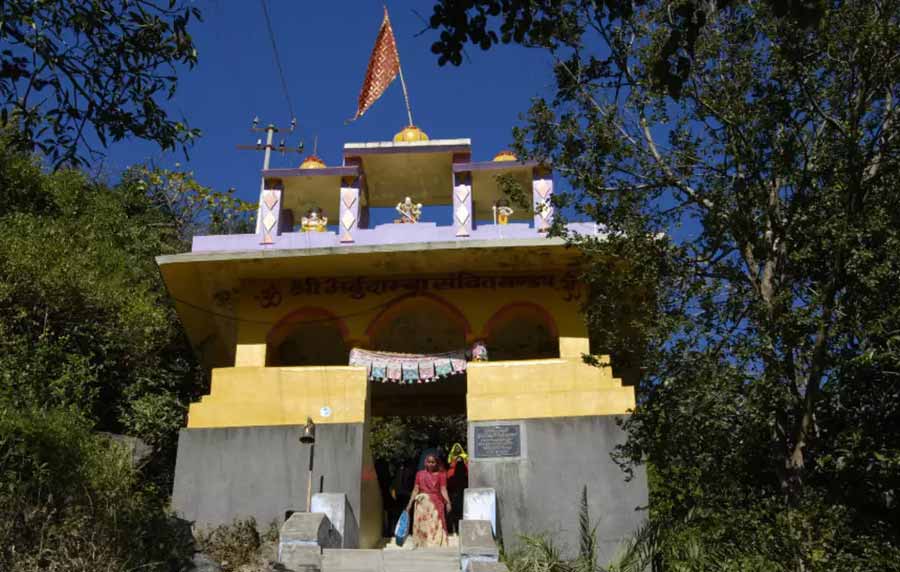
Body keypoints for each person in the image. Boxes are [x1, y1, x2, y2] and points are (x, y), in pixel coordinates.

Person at [405, 453, 451, 547]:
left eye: (433, 462)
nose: (431, 464)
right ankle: (423, 544)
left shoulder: (441, 475)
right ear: (425, 463)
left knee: (435, 524)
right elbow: (415, 489)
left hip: (436, 504)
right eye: (429, 462)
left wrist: (448, 502)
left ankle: (435, 544)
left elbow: (443, 489)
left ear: (437, 463)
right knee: (423, 525)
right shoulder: (419, 474)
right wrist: (410, 504)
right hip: (421, 505)